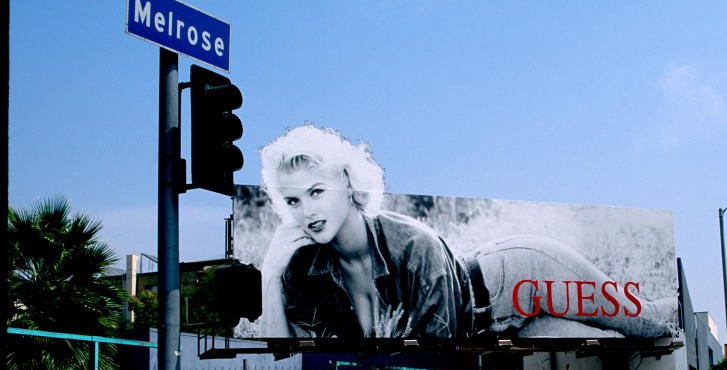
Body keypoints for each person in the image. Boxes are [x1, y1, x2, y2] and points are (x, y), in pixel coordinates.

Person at [256, 125, 678, 341]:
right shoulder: (303, 268)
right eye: (293, 201)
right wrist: (270, 277)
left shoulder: (412, 245)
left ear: (348, 183)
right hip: (496, 328)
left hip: (518, 276)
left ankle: (679, 310)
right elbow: (285, 356)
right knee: (603, 341)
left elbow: (439, 353)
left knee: (640, 320)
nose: (307, 211)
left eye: (316, 191)